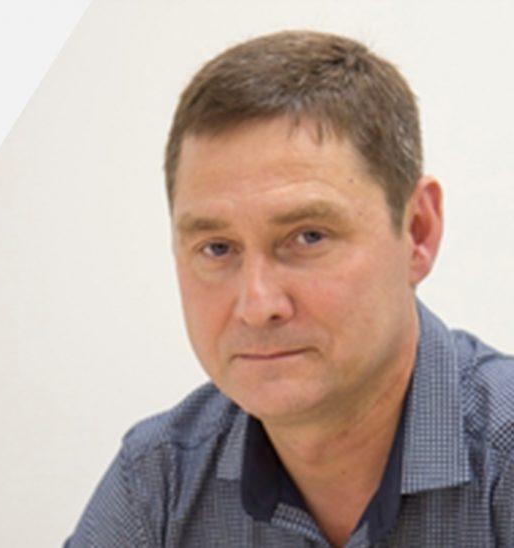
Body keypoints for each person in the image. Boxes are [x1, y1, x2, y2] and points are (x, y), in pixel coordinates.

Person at [65, 30, 514, 547]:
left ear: (418, 232)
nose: (257, 305)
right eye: (217, 248)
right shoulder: (158, 482)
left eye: (308, 237)